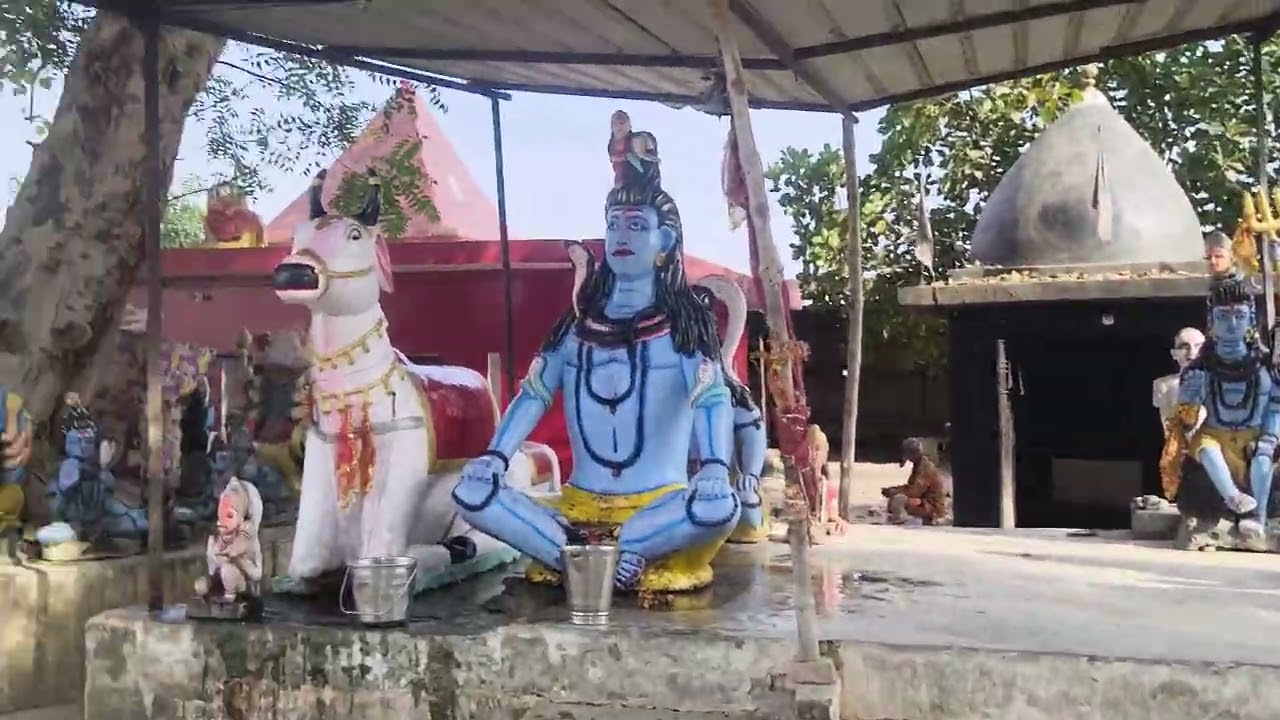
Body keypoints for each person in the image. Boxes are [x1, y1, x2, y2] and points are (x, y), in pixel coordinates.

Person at [881, 437, 949, 525]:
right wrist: (893, 489)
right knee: (893, 499)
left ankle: (902, 522)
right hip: (924, 502)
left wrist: (894, 491)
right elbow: (911, 487)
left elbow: (914, 492)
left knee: (899, 500)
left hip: (932, 507)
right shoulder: (918, 466)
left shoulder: (926, 468)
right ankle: (897, 519)